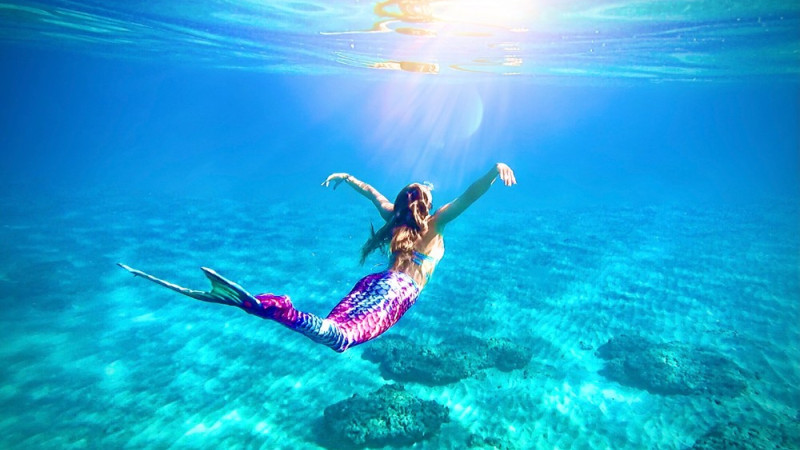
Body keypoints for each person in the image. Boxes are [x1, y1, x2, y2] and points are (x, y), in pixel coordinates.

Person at [118, 163, 516, 352]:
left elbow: (371, 192)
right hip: (397, 293)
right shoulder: (434, 223)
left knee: (333, 328)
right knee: (340, 338)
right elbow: (469, 194)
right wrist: (493, 172)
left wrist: (345, 178)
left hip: (373, 286)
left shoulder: (392, 217)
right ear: (426, 205)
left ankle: (271, 309)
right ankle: (279, 310)